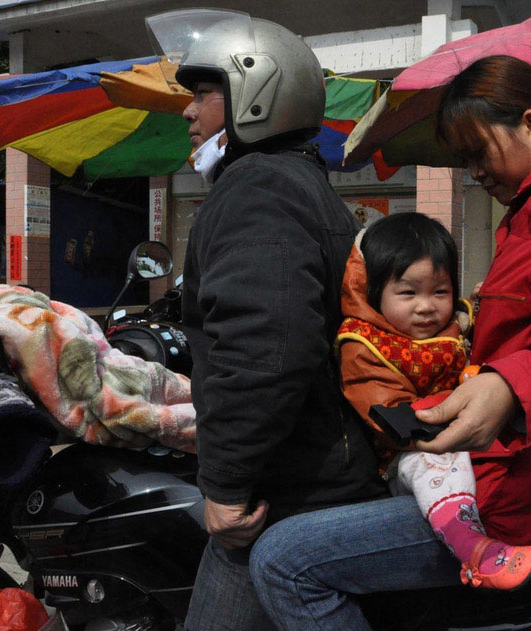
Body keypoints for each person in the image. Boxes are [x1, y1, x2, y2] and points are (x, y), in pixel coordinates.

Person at [250, 54, 531, 630]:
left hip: (507, 506)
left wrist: (511, 388)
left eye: (479, 151)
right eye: (465, 160)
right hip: (493, 474)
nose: (475, 171)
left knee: (282, 561)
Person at [145, 9, 386, 630]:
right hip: (319, 472)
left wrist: (225, 485)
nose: (187, 112)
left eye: (203, 94)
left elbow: (264, 351)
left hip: (283, 496)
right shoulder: (301, 183)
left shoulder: (256, 187)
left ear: (256, 93)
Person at [335, 212, 531, 591]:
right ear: (372, 291)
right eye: (408, 293)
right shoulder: (364, 344)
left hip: (454, 430)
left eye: (440, 291)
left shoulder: (450, 327)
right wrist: (454, 407)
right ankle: (473, 549)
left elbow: (470, 332)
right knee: (434, 460)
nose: (427, 307)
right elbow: (389, 414)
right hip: (407, 450)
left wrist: (481, 309)